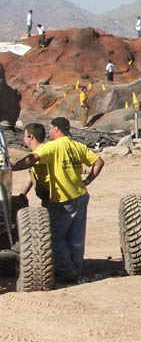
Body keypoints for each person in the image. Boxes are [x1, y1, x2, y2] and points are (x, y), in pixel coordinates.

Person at [11, 117, 105, 282]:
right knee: (76, 237)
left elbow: (31, 160)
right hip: (80, 195)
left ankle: (66, 271)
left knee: (54, 237)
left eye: (51, 128)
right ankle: (76, 269)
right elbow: (99, 162)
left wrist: (11, 167)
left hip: (62, 199)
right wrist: (88, 181)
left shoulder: (52, 147)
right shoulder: (77, 146)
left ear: (55, 129)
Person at [17, 123, 49, 205]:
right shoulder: (40, 151)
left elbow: (24, 164)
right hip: (48, 197)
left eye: (24, 136)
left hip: (53, 198)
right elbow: (31, 174)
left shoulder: (40, 152)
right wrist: (23, 194)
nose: (23, 138)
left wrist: (11, 168)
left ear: (31, 137)